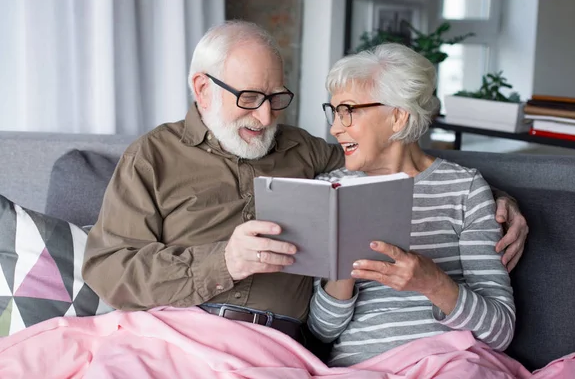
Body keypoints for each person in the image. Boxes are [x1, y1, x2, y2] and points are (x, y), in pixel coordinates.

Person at [82, 20, 527, 345]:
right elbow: (108, 269)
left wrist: (495, 199)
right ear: (202, 88)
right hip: (176, 332)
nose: (265, 117)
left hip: (278, 348)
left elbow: (392, 163)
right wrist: (225, 261)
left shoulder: (306, 152)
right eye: (250, 98)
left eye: (277, 99)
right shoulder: (154, 156)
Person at [308, 43, 516, 366]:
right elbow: (320, 331)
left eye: (348, 111)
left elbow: (501, 330)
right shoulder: (330, 190)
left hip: (447, 364)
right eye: (333, 112)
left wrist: (433, 283)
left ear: (398, 117)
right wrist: (345, 269)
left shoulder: (465, 189)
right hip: (360, 369)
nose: (335, 128)